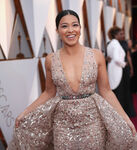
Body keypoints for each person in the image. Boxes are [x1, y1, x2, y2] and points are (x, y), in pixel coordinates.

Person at [8, 10, 137, 150]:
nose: (70, 30)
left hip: (92, 123)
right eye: (64, 26)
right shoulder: (51, 59)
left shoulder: (96, 55)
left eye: (75, 25)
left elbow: (106, 91)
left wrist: (125, 118)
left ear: (80, 29)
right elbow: (48, 92)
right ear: (57, 30)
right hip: (62, 124)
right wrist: (25, 113)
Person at [107, 26, 136, 118]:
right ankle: (120, 112)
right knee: (120, 91)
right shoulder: (114, 43)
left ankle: (122, 111)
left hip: (118, 69)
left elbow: (127, 56)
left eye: (123, 33)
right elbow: (114, 58)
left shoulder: (118, 43)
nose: (123, 35)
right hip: (119, 69)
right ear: (115, 35)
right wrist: (124, 64)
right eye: (121, 34)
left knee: (122, 91)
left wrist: (130, 68)